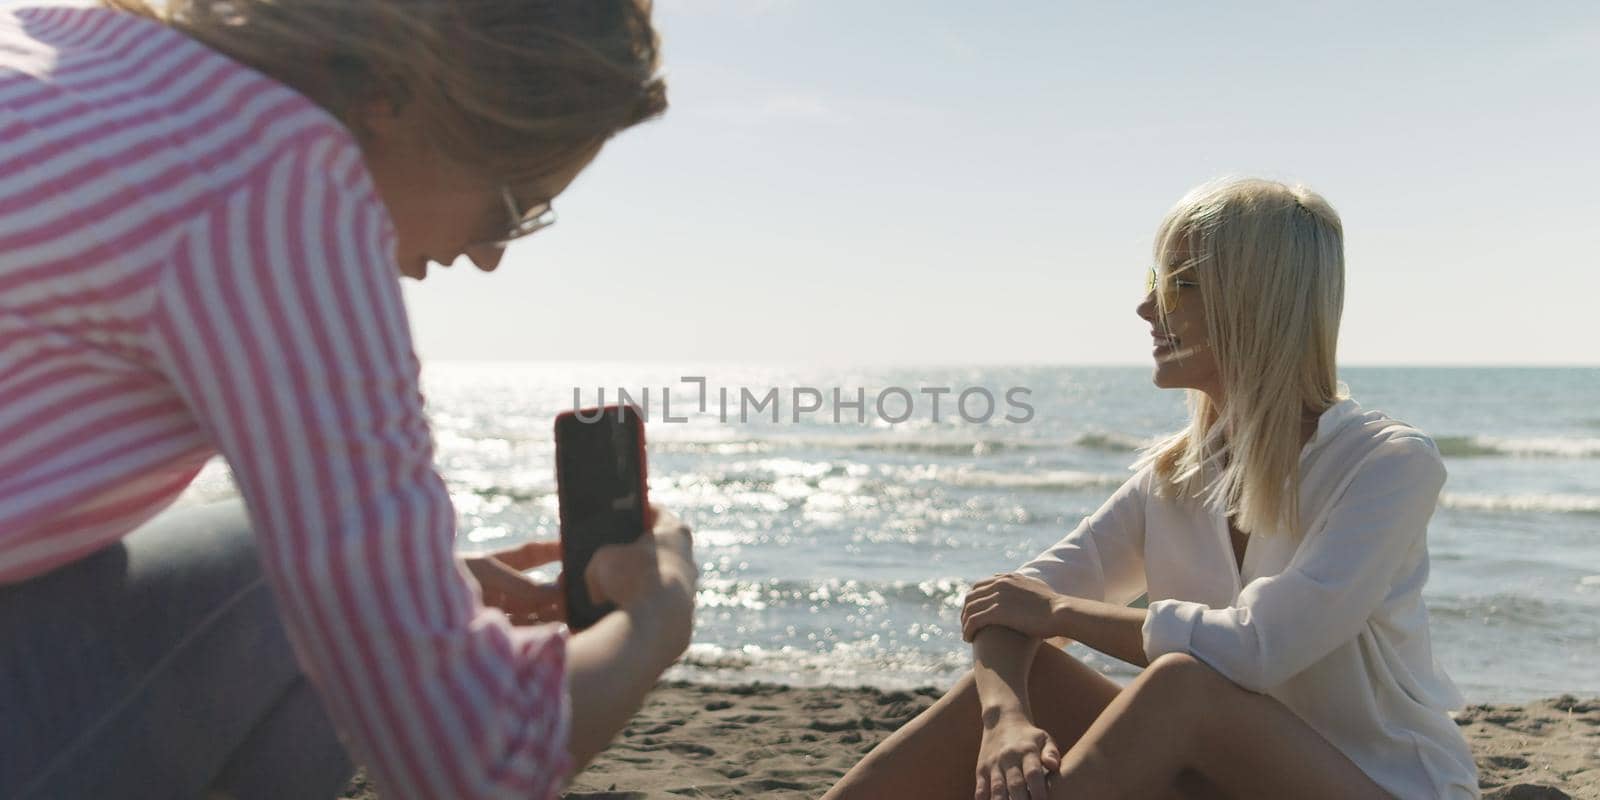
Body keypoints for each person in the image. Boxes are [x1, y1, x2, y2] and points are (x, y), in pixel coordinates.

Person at [0, 2, 697, 798]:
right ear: (393, 94)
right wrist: (656, 623)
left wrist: (411, 586)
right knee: (275, 591)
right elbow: (472, 762)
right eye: (513, 204)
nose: (491, 256)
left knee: (272, 567)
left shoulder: (69, 39)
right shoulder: (275, 186)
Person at [823, 178, 1479, 799]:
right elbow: (1009, 601)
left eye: (1181, 284)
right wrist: (1006, 717)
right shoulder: (1176, 476)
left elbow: (1257, 649)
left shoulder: (1387, 463)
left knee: (1182, 686)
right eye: (1155, 281)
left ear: (1258, 300)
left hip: (1383, 783)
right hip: (1224, 780)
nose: (1146, 307)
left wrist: (1058, 615)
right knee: (1041, 675)